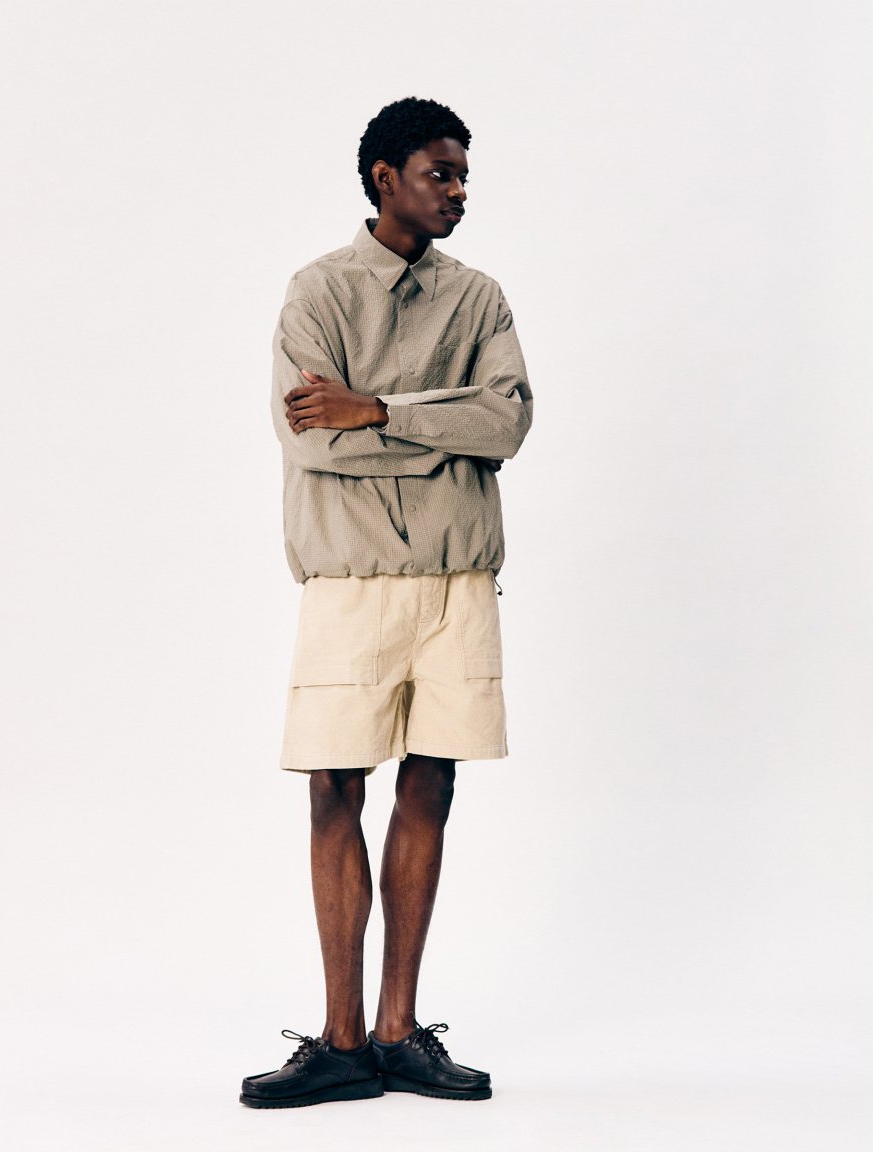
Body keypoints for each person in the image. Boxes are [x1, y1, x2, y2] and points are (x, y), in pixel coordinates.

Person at [240, 97, 533, 1109]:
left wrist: (377, 407)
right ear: (384, 177)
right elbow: (314, 439)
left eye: (463, 175)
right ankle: (341, 1040)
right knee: (333, 787)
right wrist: (436, 429)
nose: (459, 192)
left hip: (456, 582)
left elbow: (507, 424)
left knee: (432, 785)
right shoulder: (318, 291)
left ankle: (400, 1033)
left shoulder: (480, 299)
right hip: (349, 583)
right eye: (441, 173)